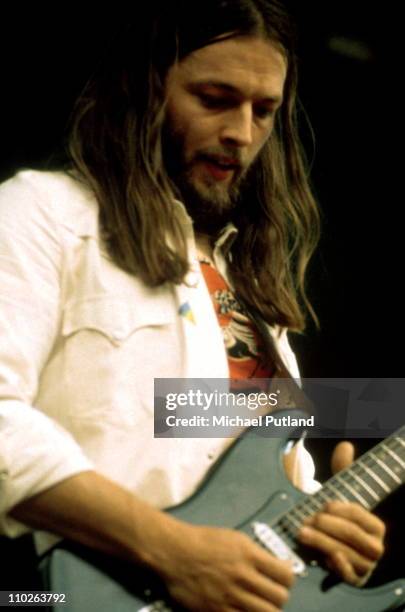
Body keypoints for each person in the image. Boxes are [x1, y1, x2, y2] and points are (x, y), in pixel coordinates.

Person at [0, 1, 385, 610]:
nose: (242, 133)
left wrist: (327, 546)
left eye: (265, 111)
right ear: (141, 91)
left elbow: (263, 497)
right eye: (213, 98)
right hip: (46, 594)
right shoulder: (43, 215)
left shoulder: (258, 298)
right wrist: (172, 550)